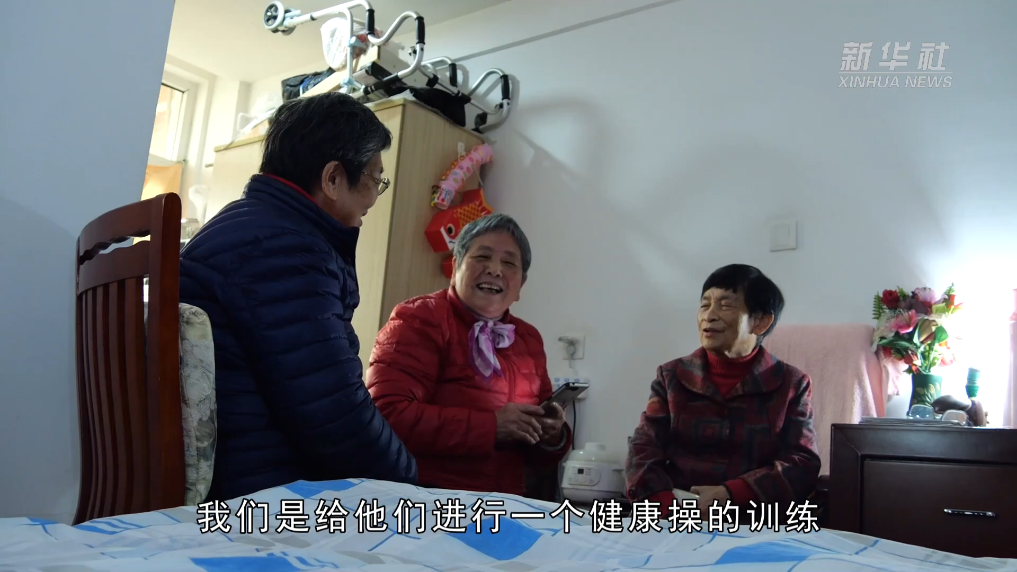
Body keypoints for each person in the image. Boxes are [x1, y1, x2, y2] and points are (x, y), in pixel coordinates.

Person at [179, 92, 417, 502]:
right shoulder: (286, 248)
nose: (373, 198)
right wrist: (411, 483)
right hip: (259, 490)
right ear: (333, 179)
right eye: (374, 179)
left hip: (244, 468)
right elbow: (334, 413)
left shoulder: (244, 224)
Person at [365, 214, 572, 496]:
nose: (495, 270)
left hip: (504, 504)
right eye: (482, 257)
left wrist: (552, 434)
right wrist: (492, 427)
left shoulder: (528, 339)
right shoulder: (418, 318)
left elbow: (536, 455)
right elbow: (387, 415)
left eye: (509, 263)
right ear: (455, 267)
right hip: (426, 498)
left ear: (520, 285)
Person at [623, 264, 821, 517]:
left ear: (760, 321)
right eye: (705, 305)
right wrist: (665, 504)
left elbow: (802, 463)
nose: (709, 315)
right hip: (675, 514)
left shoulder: (791, 383)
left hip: (754, 520)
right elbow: (643, 447)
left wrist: (732, 494)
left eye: (725, 305)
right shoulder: (672, 376)